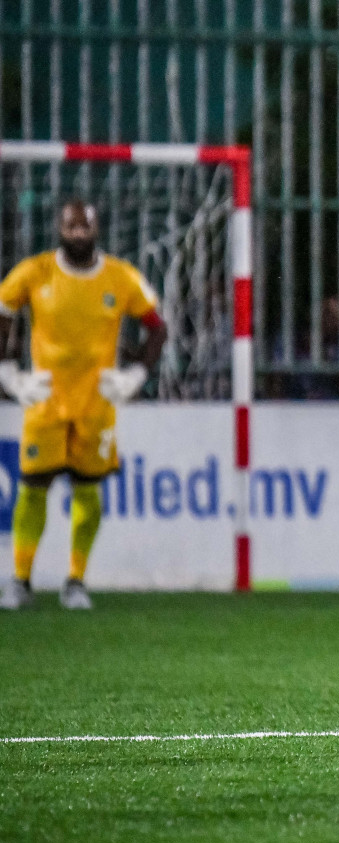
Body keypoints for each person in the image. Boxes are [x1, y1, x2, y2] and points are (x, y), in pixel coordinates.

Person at [0, 201, 167, 611]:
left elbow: (157, 328)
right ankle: (20, 580)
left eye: (85, 226)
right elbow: (3, 314)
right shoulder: (34, 272)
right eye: (70, 226)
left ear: (97, 229)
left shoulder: (121, 277)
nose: (77, 233)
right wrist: (6, 372)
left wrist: (137, 375)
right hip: (46, 401)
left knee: (88, 492)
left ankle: (76, 579)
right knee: (33, 488)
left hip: (96, 403)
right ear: (59, 229)